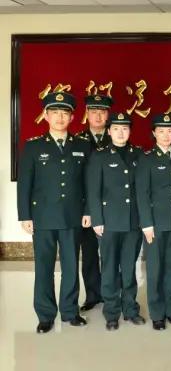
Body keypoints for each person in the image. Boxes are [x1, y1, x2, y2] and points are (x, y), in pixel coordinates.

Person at [17, 92, 91, 333]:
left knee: (71, 266)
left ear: (72, 117)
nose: (60, 117)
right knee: (44, 267)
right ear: (46, 116)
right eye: (55, 112)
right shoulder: (33, 146)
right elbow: (25, 184)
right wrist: (24, 215)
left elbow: (88, 183)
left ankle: (70, 311)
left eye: (65, 113)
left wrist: (88, 210)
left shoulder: (82, 146)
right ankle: (45, 315)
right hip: (43, 218)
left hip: (72, 216)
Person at [86, 112, 145, 331]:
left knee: (129, 268)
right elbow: (93, 191)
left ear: (130, 131)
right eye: (116, 129)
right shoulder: (99, 156)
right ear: (109, 131)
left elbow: (143, 190)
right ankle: (111, 313)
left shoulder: (138, 154)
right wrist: (97, 219)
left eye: (125, 128)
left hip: (133, 222)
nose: (121, 133)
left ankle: (130, 309)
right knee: (109, 269)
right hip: (109, 222)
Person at [136, 114, 171, 331]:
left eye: (170, 131)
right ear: (154, 133)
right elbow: (142, 194)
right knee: (155, 269)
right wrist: (146, 224)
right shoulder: (147, 159)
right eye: (161, 131)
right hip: (155, 224)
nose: (166, 135)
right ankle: (157, 313)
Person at [75, 94, 112, 311]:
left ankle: (110, 293)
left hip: (112, 207)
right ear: (87, 114)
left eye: (102, 112)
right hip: (86, 208)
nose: (98, 116)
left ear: (108, 115)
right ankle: (92, 295)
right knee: (89, 254)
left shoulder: (116, 137)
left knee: (110, 254)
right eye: (94, 111)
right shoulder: (77, 141)